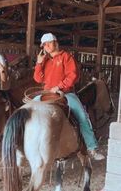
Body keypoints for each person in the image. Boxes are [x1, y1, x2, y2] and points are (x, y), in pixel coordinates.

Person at [33, 33, 105, 161]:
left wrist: (59, 86)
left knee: (82, 116)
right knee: (28, 109)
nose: (46, 46)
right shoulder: (44, 60)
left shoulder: (66, 57)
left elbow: (72, 76)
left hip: (65, 93)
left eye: (49, 43)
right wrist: (39, 63)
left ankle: (92, 147)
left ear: (55, 42)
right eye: (44, 44)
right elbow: (38, 79)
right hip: (47, 94)